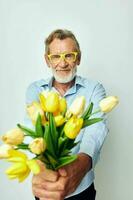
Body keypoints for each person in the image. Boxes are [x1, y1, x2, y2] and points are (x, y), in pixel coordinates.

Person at [25, 29, 108, 200]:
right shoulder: (35, 90)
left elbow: (96, 128)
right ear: (47, 60)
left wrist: (81, 163)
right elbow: (33, 129)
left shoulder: (94, 88)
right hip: (48, 186)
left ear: (78, 57)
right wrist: (41, 167)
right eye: (56, 56)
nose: (62, 64)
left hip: (82, 187)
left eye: (69, 55)